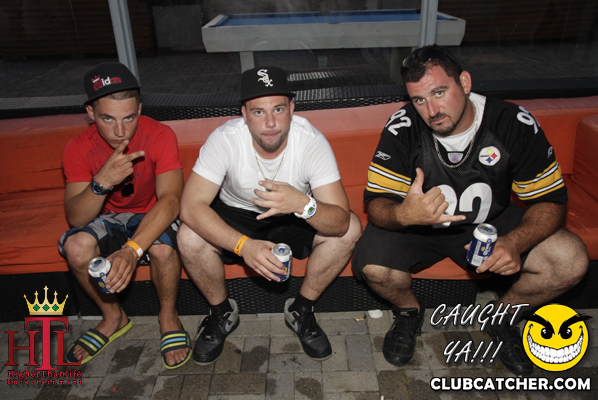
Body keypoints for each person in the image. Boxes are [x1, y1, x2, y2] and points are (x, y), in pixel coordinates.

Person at [352, 45, 588, 376]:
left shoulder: (513, 123)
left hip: (488, 223)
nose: (431, 110)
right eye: (419, 99)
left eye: (439, 92)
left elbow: (550, 201)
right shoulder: (402, 127)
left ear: (464, 82)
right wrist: (404, 215)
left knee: (569, 260)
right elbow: (376, 203)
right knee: (374, 268)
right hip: (418, 226)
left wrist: (515, 242)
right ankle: (409, 313)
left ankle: (501, 317)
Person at [177, 66, 362, 365]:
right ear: (244, 114)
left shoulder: (311, 141)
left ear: (292, 109)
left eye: (278, 109)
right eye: (258, 112)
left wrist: (303, 204)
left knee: (351, 228)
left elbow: (341, 222)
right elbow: (190, 206)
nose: (271, 123)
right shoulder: (225, 138)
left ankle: (301, 309)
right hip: (238, 214)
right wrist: (243, 246)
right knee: (188, 235)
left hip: (293, 215)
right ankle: (221, 312)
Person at [58, 62, 191, 369]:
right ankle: (113, 317)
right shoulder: (77, 148)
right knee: (75, 246)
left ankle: (168, 316)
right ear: (91, 113)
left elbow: (171, 201)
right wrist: (101, 182)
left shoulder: (159, 134)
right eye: (108, 118)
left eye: (129, 117)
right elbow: (76, 218)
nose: (120, 131)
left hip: (152, 212)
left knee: (162, 247)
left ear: (139, 110)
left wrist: (132, 250)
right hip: (109, 218)